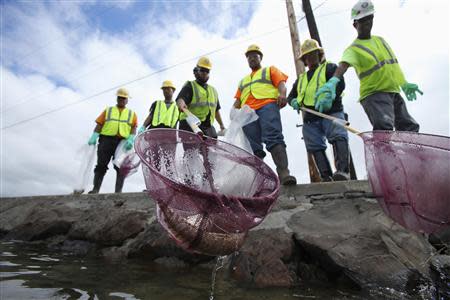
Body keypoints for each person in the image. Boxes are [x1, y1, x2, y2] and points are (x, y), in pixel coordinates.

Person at [315, 0, 422, 132]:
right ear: (355, 24)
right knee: (384, 127)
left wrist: (404, 83)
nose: (367, 23)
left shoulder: (381, 40)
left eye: (369, 18)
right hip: (374, 95)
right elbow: (343, 65)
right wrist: (333, 81)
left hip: (393, 91)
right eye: (363, 20)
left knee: (409, 126)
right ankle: (384, 152)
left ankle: (410, 152)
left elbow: (393, 65)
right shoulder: (353, 49)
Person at [288, 39, 350, 181]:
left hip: (331, 111)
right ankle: (325, 176)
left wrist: (330, 95)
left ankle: (342, 172)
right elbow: (292, 95)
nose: (310, 58)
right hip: (310, 118)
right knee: (315, 146)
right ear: (304, 59)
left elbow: (339, 83)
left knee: (338, 137)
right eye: (307, 56)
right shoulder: (301, 79)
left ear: (319, 54)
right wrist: (293, 101)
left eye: (313, 54)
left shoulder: (329, 68)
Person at [233, 44, 296, 186]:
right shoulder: (243, 81)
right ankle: (259, 181)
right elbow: (238, 100)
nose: (252, 59)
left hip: (267, 106)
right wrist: (233, 112)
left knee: (273, 137)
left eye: (255, 56)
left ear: (260, 57)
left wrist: (282, 94)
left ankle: (284, 173)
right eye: (249, 57)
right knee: (253, 147)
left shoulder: (270, 70)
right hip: (247, 113)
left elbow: (281, 84)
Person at [87, 88, 138, 194]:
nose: (122, 100)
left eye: (124, 98)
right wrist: (94, 135)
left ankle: (118, 192)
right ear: (117, 98)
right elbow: (99, 124)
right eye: (120, 98)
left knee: (120, 167)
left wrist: (130, 139)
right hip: (106, 140)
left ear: (127, 100)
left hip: (122, 143)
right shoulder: (108, 110)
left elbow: (133, 128)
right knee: (101, 165)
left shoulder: (131, 114)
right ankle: (95, 189)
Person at [176, 56, 226, 138]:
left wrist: (221, 125)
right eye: (202, 70)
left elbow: (216, 110)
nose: (205, 73)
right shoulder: (190, 85)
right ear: (196, 71)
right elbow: (181, 99)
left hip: (207, 126)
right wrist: (181, 104)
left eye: (207, 71)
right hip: (190, 123)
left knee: (212, 142)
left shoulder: (213, 91)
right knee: (193, 149)